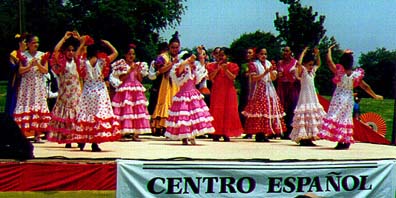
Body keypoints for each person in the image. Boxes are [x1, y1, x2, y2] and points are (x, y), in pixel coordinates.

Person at [318, 45, 383, 149]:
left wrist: (329, 50)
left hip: (339, 96)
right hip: (348, 97)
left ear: (341, 61)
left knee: (336, 116)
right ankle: (345, 140)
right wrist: (374, 95)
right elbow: (365, 87)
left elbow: (329, 62)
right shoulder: (356, 75)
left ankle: (341, 140)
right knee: (345, 118)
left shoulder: (339, 72)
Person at [74, 35, 121, 151]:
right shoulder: (102, 61)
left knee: (86, 115)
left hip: (88, 90)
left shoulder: (84, 62)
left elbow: (76, 56)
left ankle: (83, 139)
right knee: (98, 116)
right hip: (99, 90)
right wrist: (108, 43)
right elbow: (116, 53)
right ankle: (94, 142)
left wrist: (81, 44)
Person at [165, 52, 215, 145]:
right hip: (183, 95)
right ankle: (184, 136)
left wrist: (201, 56)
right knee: (184, 117)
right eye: (190, 61)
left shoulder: (194, 70)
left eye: (193, 61)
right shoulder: (181, 70)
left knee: (194, 116)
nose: (192, 63)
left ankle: (192, 135)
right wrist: (187, 61)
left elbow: (201, 68)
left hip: (193, 94)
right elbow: (180, 68)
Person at [242, 48, 286, 142]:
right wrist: (265, 73)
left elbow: (273, 78)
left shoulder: (268, 63)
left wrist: (272, 72)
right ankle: (259, 133)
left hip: (269, 88)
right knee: (259, 111)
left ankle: (265, 132)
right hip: (259, 89)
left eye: (265, 54)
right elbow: (254, 78)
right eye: (261, 54)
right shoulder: (253, 64)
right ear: (257, 55)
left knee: (268, 110)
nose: (264, 56)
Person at [13, 34, 51, 143]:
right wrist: (30, 66)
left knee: (37, 107)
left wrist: (38, 64)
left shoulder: (42, 55)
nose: (36, 44)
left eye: (37, 42)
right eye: (33, 42)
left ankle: (37, 135)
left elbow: (45, 70)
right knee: (26, 105)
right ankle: (23, 136)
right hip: (27, 85)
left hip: (38, 84)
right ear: (28, 44)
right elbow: (20, 71)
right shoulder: (23, 55)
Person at [47, 31, 81, 148]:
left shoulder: (77, 61)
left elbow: (84, 51)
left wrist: (80, 39)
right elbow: (56, 51)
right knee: (66, 115)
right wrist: (64, 38)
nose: (71, 53)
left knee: (76, 114)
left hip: (76, 92)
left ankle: (78, 137)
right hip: (65, 93)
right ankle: (67, 138)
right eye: (69, 50)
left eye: (73, 50)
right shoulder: (61, 62)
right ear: (65, 51)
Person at [110, 44, 151, 141]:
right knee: (125, 110)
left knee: (136, 110)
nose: (131, 56)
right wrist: (129, 71)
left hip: (136, 88)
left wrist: (138, 71)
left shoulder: (138, 65)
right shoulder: (122, 65)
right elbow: (121, 79)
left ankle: (135, 133)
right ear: (125, 55)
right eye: (129, 54)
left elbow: (140, 79)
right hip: (125, 88)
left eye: (133, 54)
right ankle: (123, 132)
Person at [289, 47, 326, 146]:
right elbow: (299, 64)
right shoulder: (304, 71)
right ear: (305, 64)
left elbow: (318, 64)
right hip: (305, 96)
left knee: (312, 115)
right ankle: (303, 138)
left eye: (311, 65)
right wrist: (303, 53)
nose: (311, 66)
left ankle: (309, 137)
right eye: (309, 65)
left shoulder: (312, 72)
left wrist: (317, 54)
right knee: (305, 114)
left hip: (312, 96)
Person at [207, 47, 243, 141]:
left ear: (227, 56)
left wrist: (226, 69)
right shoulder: (212, 66)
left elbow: (232, 78)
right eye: (219, 55)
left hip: (229, 91)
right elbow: (211, 77)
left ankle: (227, 132)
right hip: (217, 90)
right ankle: (216, 132)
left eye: (222, 55)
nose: (220, 57)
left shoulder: (233, 65)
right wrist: (218, 69)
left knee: (228, 110)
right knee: (216, 110)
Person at [151, 32, 181, 136]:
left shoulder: (182, 57)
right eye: (173, 47)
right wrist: (172, 63)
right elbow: (161, 70)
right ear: (169, 47)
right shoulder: (163, 57)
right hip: (166, 83)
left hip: (178, 84)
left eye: (176, 47)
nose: (175, 50)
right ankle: (163, 126)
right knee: (166, 101)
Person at [276, 46, 300, 139]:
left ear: (291, 52)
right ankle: (282, 129)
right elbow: (278, 75)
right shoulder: (280, 63)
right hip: (282, 87)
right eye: (284, 51)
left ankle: (290, 130)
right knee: (282, 108)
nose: (285, 53)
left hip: (292, 87)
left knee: (292, 107)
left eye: (287, 51)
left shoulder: (295, 62)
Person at [5, 33, 26, 118]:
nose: (26, 44)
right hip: (16, 81)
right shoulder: (14, 54)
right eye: (25, 41)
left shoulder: (29, 54)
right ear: (20, 43)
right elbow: (12, 68)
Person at [239, 47, 256, 139]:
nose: (248, 54)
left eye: (250, 53)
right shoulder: (244, 65)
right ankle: (247, 130)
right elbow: (242, 76)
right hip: (246, 89)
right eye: (247, 53)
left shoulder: (257, 64)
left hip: (255, 89)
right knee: (245, 109)